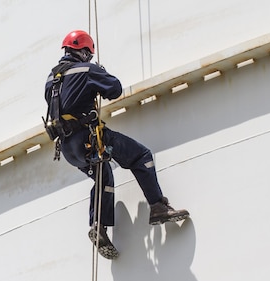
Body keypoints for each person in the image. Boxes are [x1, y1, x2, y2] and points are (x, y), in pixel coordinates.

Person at [44, 29, 189, 259]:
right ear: (83, 51)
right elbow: (114, 89)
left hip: (69, 149)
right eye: (88, 55)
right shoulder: (87, 70)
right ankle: (158, 207)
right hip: (89, 139)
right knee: (141, 156)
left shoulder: (51, 80)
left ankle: (98, 226)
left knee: (104, 175)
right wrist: (99, 72)